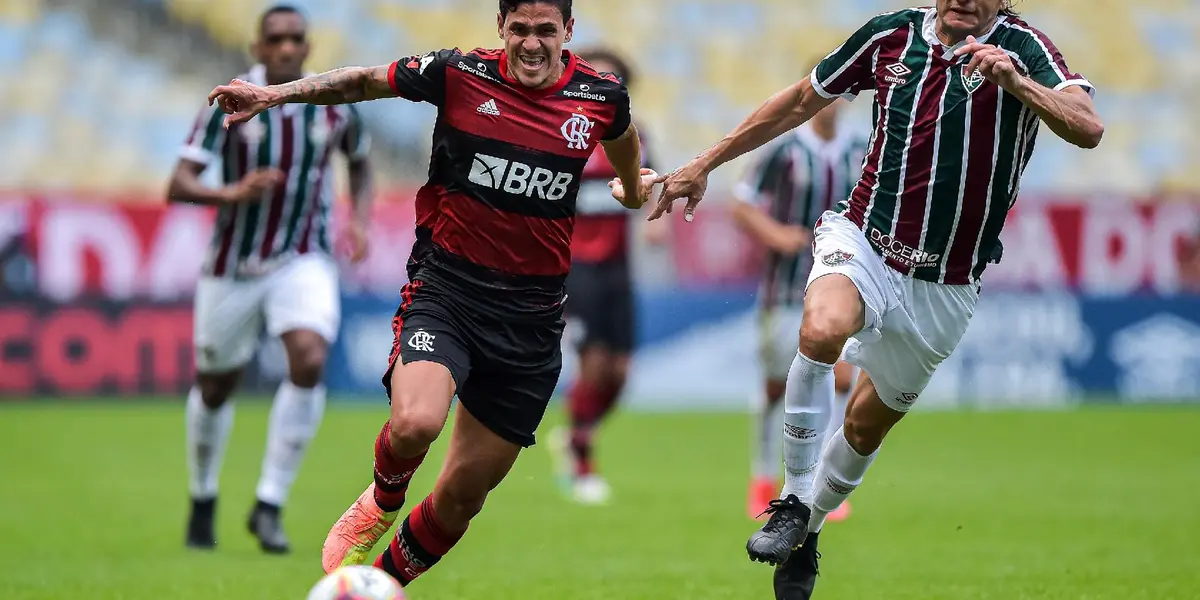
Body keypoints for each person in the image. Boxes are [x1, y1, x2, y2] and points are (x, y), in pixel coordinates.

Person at [650, 1, 1103, 597]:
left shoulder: (1026, 50)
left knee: (864, 426)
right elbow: (800, 101)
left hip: (945, 283)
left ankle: (806, 531)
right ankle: (789, 500)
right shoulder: (892, 33)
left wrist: (1017, 84)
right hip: (865, 238)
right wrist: (705, 161)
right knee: (821, 329)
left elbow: (1089, 128)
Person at [206, 0, 657, 587]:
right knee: (416, 423)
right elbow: (365, 81)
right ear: (502, 28)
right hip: (448, 291)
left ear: (567, 32)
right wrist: (275, 95)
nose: (531, 43)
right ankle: (383, 500)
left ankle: (380, 586)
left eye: (545, 31)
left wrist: (627, 183)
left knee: (461, 496)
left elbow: (622, 137)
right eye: (518, 29)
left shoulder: (602, 96)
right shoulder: (460, 74)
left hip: (531, 320)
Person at [169, 4, 373, 555]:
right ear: (258, 49)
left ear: (307, 48)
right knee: (215, 385)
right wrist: (231, 194)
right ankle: (203, 496)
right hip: (233, 263)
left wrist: (357, 219)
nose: (286, 48)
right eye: (275, 40)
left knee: (308, 358)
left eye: (295, 40)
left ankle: (269, 503)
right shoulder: (228, 102)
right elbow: (180, 183)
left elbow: (360, 159)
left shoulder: (334, 106)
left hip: (303, 256)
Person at [732, 89, 865, 521]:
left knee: (841, 379)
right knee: (777, 388)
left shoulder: (861, 151)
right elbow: (742, 201)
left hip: (843, 286)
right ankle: (763, 478)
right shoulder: (788, 150)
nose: (830, 107)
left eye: (840, 97)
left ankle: (823, 484)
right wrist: (774, 235)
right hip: (786, 290)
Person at [547, 47, 666, 506]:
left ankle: (578, 431)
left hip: (619, 266)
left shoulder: (635, 137)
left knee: (619, 375)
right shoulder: (562, 133)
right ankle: (580, 460)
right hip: (575, 265)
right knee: (593, 365)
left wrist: (661, 221)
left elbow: (654, 185)